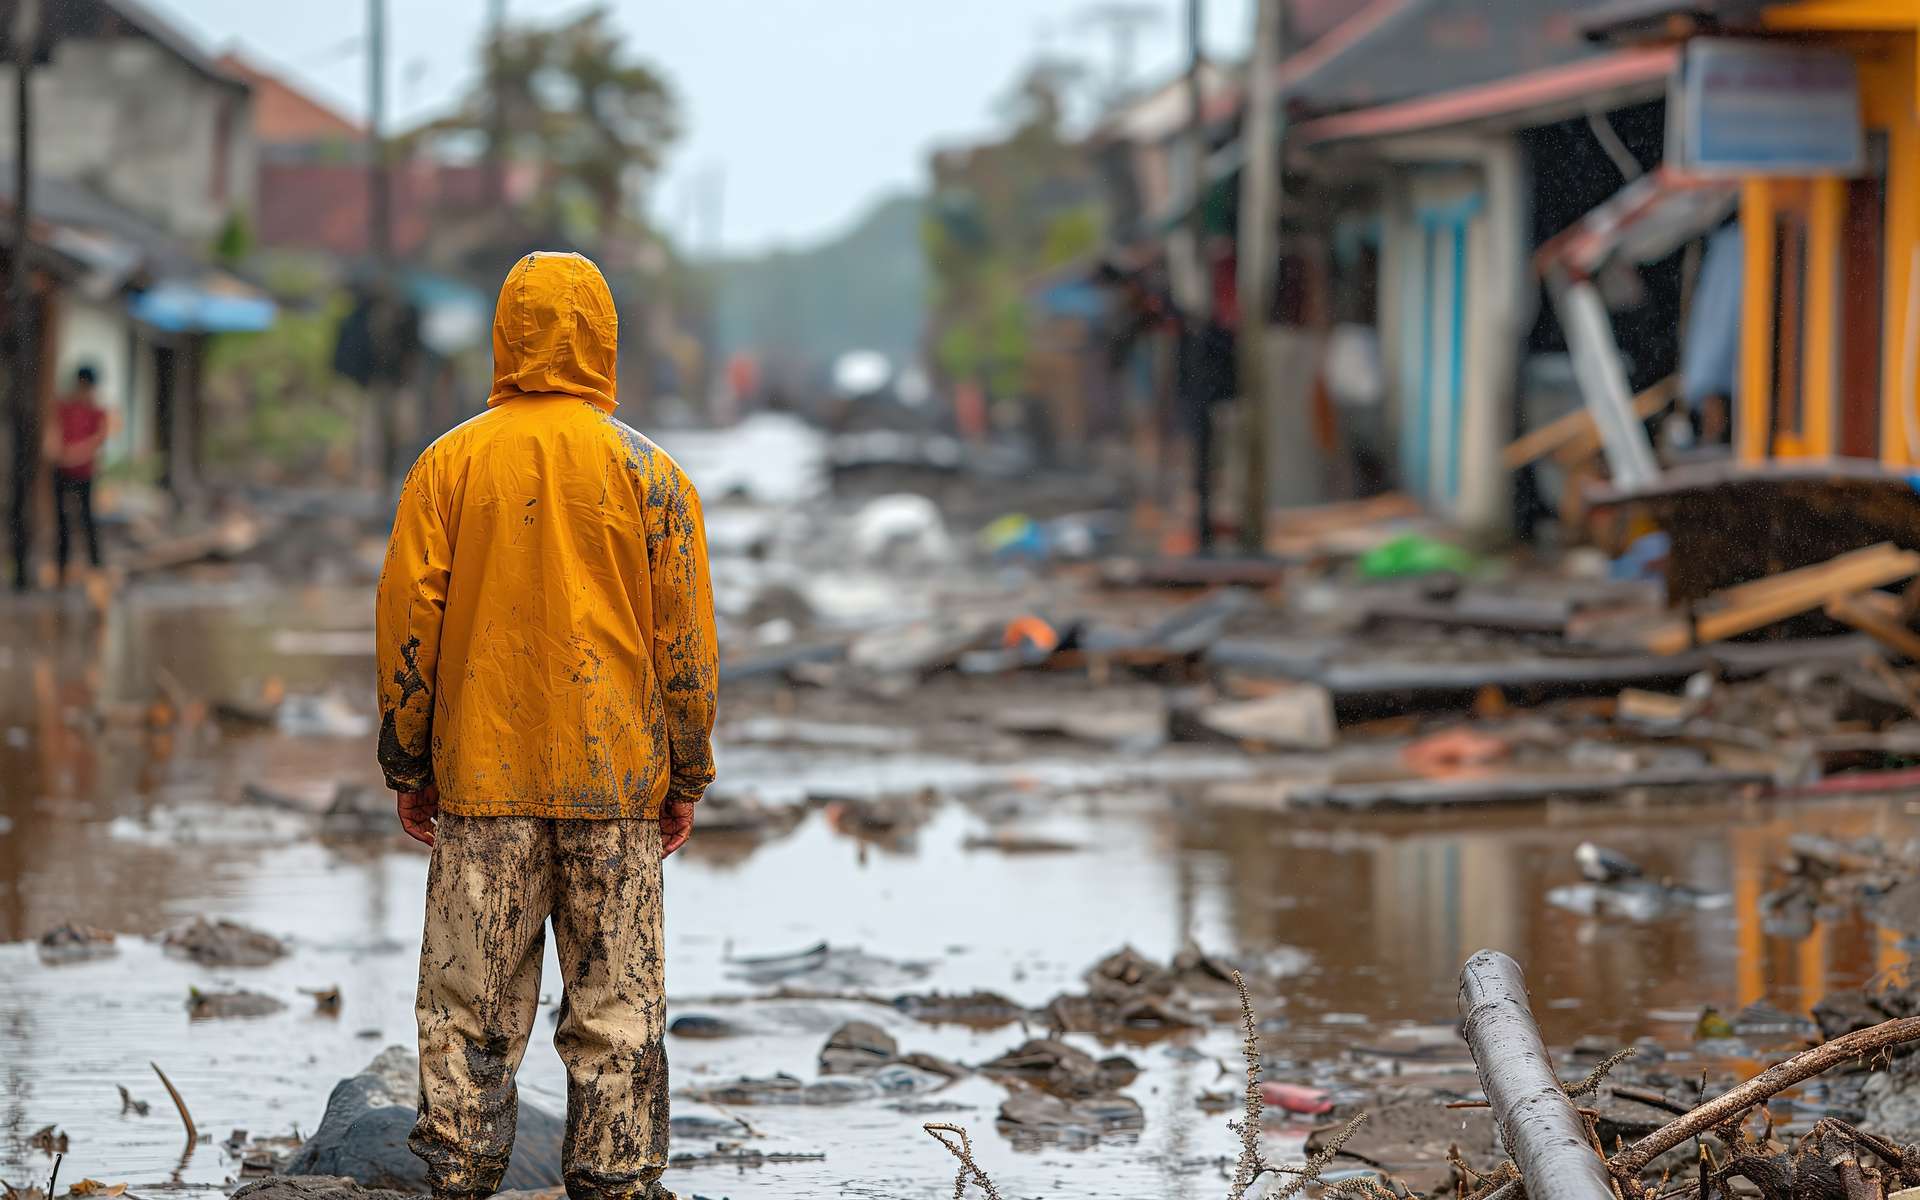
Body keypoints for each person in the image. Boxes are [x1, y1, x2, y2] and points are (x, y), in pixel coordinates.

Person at [375, 252, 717, 1200]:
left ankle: (459, 1181)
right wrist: (686, 775)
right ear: (605, 338)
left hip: (482, 783)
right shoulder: (653, 475)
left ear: (506, 335)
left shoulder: (448, 465)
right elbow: (685, 648)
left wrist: (409, 760)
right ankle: (614, 1184)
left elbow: (410, 623)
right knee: (618, 1013)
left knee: (468, 1009)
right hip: (615, 785)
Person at [50, 364, 109, 583]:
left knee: (87, 519)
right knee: (62, 520)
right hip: (62, 470)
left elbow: (99, 439)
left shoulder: (97, 411)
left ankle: (95, 569)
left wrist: (76, 453)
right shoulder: (63, 407)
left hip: (84, 471)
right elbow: (54, 434)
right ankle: (61, 570)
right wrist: (60, 453)